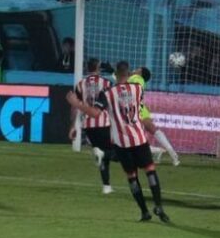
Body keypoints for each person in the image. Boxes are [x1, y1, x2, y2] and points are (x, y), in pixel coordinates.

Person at [67, 60, 169, 223]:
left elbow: (94, 113)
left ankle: (144, 212)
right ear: (128, 74)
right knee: (150, 171)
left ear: (116, 73)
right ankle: (159, 206)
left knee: (132, 177)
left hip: (122, 144)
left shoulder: (107, 93)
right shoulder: (138, 89)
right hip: (139, 139)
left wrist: (77, 103)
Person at [66, 57, 116, 194]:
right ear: (98, 68)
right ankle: (106, 185)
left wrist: (72, 126)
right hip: (103, 122)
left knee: (100, 154)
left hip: (87, 124)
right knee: (111, 154)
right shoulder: (106, 83)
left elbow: (74, 106)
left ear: (87, 68)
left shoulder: (81, 84)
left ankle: (106, 186)